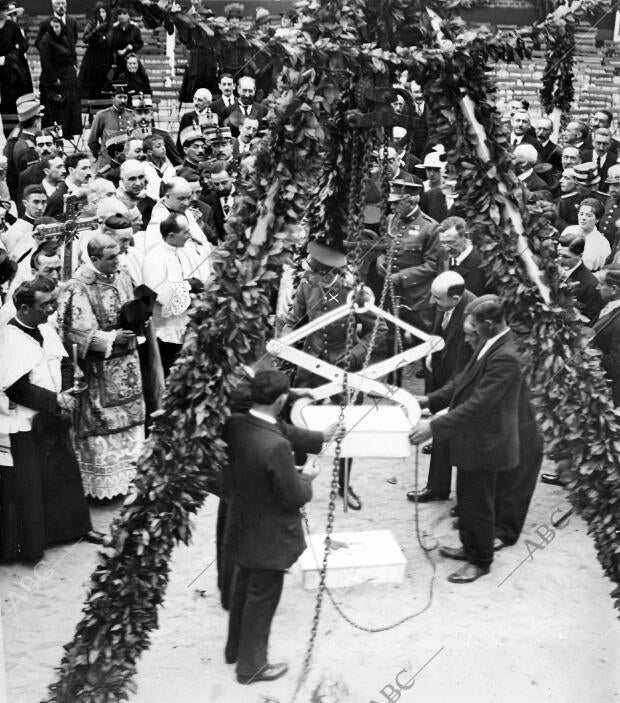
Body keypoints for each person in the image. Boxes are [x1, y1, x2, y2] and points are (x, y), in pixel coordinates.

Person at [223, 369, 344, 684]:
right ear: (280, 401)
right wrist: (306, 478)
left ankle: (234, 649)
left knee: (242, 588)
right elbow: (292, 497)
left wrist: (321, 437)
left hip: (242, 527)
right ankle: (251, 667)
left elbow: (280, 430)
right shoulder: (275, 447)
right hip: (270, 536)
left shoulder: (236, 423)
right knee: (263, 597)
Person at [409, 296, 523, 583]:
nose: (468, 337)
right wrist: (429, 399)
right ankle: (470, 547)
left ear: (488, 324)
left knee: (480, 505)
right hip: (476, 442)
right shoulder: (488, 344)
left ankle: (480, 561)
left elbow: (479, 405)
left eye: (472, 332)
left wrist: (434, 427)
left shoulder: (506, 357)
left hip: (489, 445)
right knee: (469, 501)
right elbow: (461, 382)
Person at [0, 276, 104, 564]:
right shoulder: (9, 339)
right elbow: (16, 387)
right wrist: (54, 399)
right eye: (46, 305)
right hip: (26, 419)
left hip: (54, 413)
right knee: (30, 484)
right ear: (23, 308)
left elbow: (65, 362)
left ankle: (74, 530)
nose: (53, 309)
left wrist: (67, 391)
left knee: (64, 475)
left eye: (54, 302)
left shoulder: (45, 328)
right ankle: (32, 545)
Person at [282, 241, 387, 510]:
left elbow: (380, 329)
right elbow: (296, 321)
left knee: (346, 427)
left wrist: (354, 355)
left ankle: (344, 483)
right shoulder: (306, 285)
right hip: (310, 365)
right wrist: (285, 338)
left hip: (345, 370)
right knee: (301, 421)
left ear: (329, 274)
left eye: (314, 273)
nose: (308, 276)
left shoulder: (356, 292)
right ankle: (297, 480)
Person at [57, 233, 145, 499]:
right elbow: (75, 331)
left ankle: (131, 477)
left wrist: (140, 320)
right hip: (100, 371)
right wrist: (110, 338)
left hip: (129, 363)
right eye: (111, 257)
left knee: (132, 424)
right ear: (94, 258)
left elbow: (134, 304)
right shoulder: (78, 285)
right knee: (103, 427)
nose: (118, 260)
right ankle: (105, 487)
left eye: (118, 254)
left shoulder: (123, 274)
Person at [407, 271, 476, 503]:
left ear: (456, 299)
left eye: (437, 298)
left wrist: (445, 394)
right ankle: (437, 487)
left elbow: (466, 362)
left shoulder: (472, 313)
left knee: (459, 438)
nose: (431, 302)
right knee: (440, 434)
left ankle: (466, 500)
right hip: (441, 374)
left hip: (460, 381)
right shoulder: (445, 304)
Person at [142, 212, 205, 376]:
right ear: (171, 235)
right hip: (166, 331)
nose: (189, 236)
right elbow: (159, 294)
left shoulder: (179, 250)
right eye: (185, 232)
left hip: (183, 325)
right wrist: (188, 286)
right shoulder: (155, 258)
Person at [376, 179, 439, 332]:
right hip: (391, 296)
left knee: (417, 345)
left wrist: (401, 277)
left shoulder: (430, 227)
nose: (392, 207)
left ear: (410, 203)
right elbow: (385, 247)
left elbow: (432, 265)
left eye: (396, 203)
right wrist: (380, 259)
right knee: (391, 341)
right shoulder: (391, 220)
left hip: (416, 300)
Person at [38, 16, 82, 139]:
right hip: (55, 80)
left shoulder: (64, 38)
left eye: (57, 26)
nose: (55, 29)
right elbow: (45, 62)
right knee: (58, 108)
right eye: (52, 27)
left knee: (69, 107)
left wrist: (74, 67)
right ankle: (58, 135)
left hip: (68, 78)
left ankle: (68, 132)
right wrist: (54, 79)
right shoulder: (45, 40)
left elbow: (71, 53)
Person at [0, 0, 33, 134]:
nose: (2, 13)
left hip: (10, 71)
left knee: (10, 102)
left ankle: (13, 135)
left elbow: (24, 45)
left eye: (3, 10)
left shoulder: (12, 26)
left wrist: (9, 58)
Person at [88, 83, 135, 169]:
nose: (123, 101)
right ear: (112, 98)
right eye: (120, 97)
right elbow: (92, 141)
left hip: (127, 160)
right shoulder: (102, 115)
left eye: (125, 97)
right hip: (107, 162)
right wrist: (101, 155)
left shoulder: (132, 115)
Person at [592, 264, 620, 407]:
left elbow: (616, 365)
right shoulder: (609, 305)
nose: (597, 288)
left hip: (610, 394)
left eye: (601, 284)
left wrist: (589, 354)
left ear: (614, 289)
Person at [436, 216, 486, 295]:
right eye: (442, 243)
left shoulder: (482, 264)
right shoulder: (442, 257)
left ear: (466, 237)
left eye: (451, 242)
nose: (446, 249)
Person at [557, 237, 603, 323]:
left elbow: (589, 320)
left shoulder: (592, 285)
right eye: (558, 254)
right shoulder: (551, 269)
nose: (560, 260)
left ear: (580, 256)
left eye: (566, 257)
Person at [561, 197, 610, 271]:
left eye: (588, 215)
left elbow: (603, 270)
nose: (583, 218)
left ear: (597, 219)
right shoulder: (569, 230)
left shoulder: (603, 243)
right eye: (581, 214)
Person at [77, 2, 113, 101]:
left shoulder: (110, 26)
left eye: (104, 12)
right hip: (92, 59)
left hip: (106, 59)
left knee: (106, 83)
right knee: (90, 85)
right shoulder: (92, 23)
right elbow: (85, 39)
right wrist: (96, 30)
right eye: (99, 12)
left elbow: (110, 42)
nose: (102, 14)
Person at [45, 151, 92, 219]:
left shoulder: (87, 190)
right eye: (84, 168)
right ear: (71, 170)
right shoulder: (57, 197)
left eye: (89, 168)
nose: (89, 172)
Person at [109, 4, 143, 78]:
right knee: (112, 77)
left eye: (124, 14)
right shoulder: (114, 29)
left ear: (128, 16)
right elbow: (111, 44)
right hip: (118, 61)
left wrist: (132, 47)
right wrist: (117, 51)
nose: (122, 16)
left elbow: (140, 43)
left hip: (131, 60)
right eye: (119, 14)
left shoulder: (135, 28)